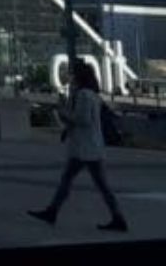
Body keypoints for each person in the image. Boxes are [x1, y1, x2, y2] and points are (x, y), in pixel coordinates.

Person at [28, 61, 128, 232]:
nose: (72, 78)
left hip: (84, 149)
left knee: (70, 181)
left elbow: (83, 120)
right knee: (95, 184)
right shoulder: (93, 95)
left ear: (79, 77)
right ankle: (117, 217)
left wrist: (63, 113)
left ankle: (52, 212)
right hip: (92, 147)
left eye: (74, 75)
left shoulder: (83, 95)